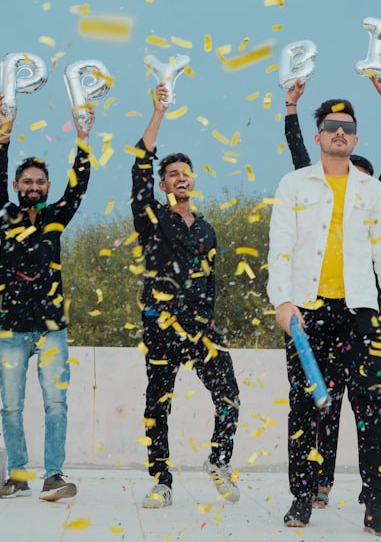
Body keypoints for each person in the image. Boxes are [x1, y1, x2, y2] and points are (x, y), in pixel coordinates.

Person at [267, 98, 381, 537]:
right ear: (318, 137)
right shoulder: (294, 184)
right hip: (308, 314)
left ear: (356, 136)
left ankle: (377, 504)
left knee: (372, 410)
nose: (339, 132)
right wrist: (283, 301)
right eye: (331, 126)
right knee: (304, 409)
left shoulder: (373, 191)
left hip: (362, 314)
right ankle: (302, 496)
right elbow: (281, 249)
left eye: (347, 126)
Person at [133, 83, 241, 509]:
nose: (181, 178)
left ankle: (218, 462)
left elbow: (210, 283)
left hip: (202, 329)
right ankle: (161, 480)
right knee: (158, 404)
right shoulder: (152, 219)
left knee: (229, 397)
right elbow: (138, 168)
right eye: (172, 174)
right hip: (160, 326)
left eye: (186, 173)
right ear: (163, 185)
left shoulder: (207, 228)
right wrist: (158, 112)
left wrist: (216, 324)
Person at [0, 103, 95, 501]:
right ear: (18, 186)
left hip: (51, 328)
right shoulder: (5, 216)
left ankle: (53, 476)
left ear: (48, 187)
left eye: (40, 181)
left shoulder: (56, 218)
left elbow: (79, 186)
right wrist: (4, 133)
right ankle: (17, 476)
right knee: (11, 407)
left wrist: (83, 141)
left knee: (55, 405)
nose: (33, 186)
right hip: (10, 328)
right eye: (27, 180)